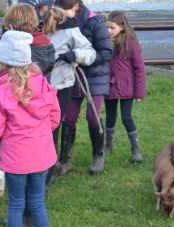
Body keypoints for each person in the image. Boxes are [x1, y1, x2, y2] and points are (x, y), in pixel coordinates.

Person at [0, 30, 61, 227]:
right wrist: (36, 134)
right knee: (37, 201)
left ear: (5, 62)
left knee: (16, 203)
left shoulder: (0, 93)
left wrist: (13, 135)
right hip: (41, 155)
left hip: (17, 157)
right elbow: (55, 118)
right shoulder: (45, 85)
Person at [55, 0, 113, 175]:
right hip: (72, 77)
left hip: (94, 77)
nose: (62, 13)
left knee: (92, 117)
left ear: (76, 7)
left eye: (64, 9)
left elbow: (106, 52)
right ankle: (65, 159)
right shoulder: (60, 21)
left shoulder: (95, 22)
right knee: (68, 117)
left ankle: (98, 155)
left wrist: (78, 58)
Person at [43, 6, 96, 182]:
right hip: (39, 85)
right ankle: (39, 166)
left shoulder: (71, 29)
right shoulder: (37, 26)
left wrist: (74, 54)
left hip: (61, 85)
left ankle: (49, 169)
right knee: (39, 127)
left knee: (54, 126)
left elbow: (90, 54)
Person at [104, 11, 146, 163]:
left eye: (112, 28)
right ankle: (108, 145)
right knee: (110, 117)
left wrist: (139, 92)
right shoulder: (105, 42)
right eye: (107, 27)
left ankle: (135, 148)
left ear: (122, 27)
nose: (109, 31)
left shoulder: (131, 43)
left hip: (127, 88)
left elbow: (139, 68)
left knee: (126, 117)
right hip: (109, 86)